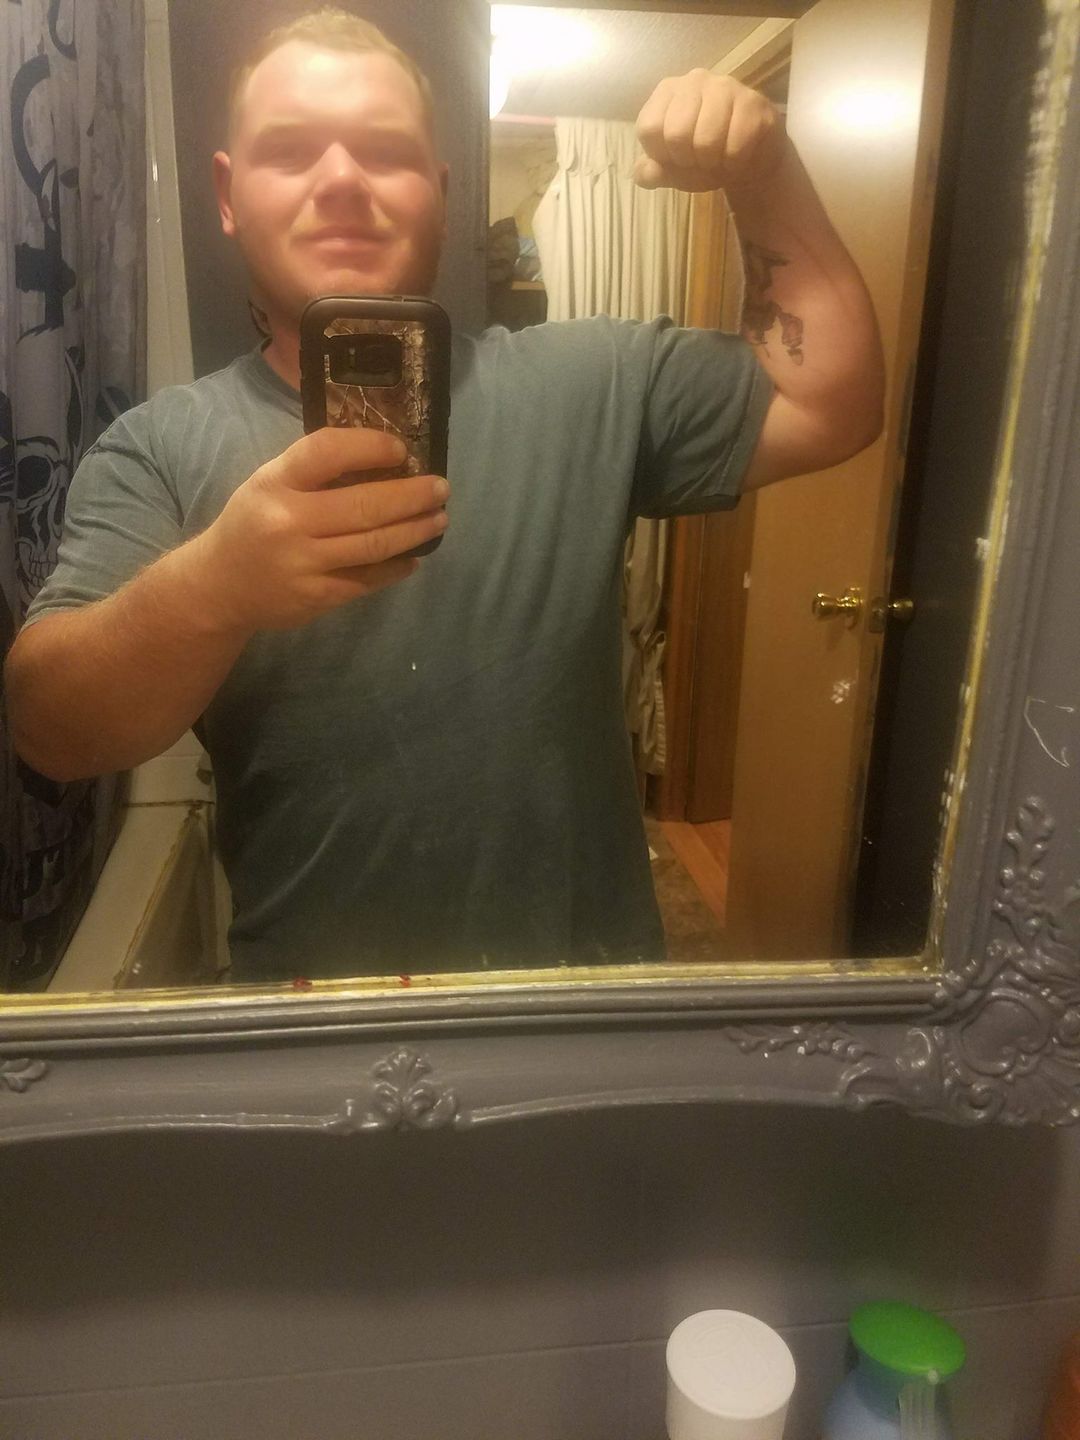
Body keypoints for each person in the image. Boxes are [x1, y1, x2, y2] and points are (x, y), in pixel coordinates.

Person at [4, 9, 884, 982]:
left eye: (385, 152)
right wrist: (217, 585)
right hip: (315, 1017)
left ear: (442, 191)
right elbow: (51, 731)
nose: (342, 179)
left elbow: (830, 404)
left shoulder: (594, 379)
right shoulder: (158, 448)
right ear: (226, 195)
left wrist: (765, 172)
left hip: (582, 1009)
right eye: (291, 151)